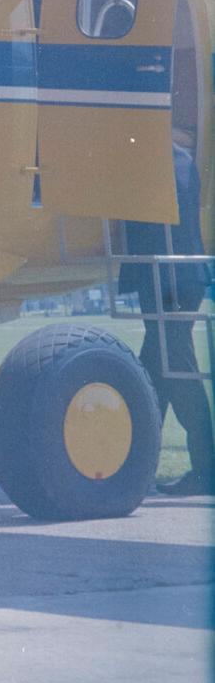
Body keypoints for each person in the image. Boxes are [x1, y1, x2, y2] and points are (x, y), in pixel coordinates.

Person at [120, 137, 213, 497]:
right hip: (177, 277)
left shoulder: (154, 163)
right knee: (154, 370)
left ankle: (205, 469)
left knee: (175, 367)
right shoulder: (180, 158)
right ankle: (135, 464)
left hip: (168, 280)